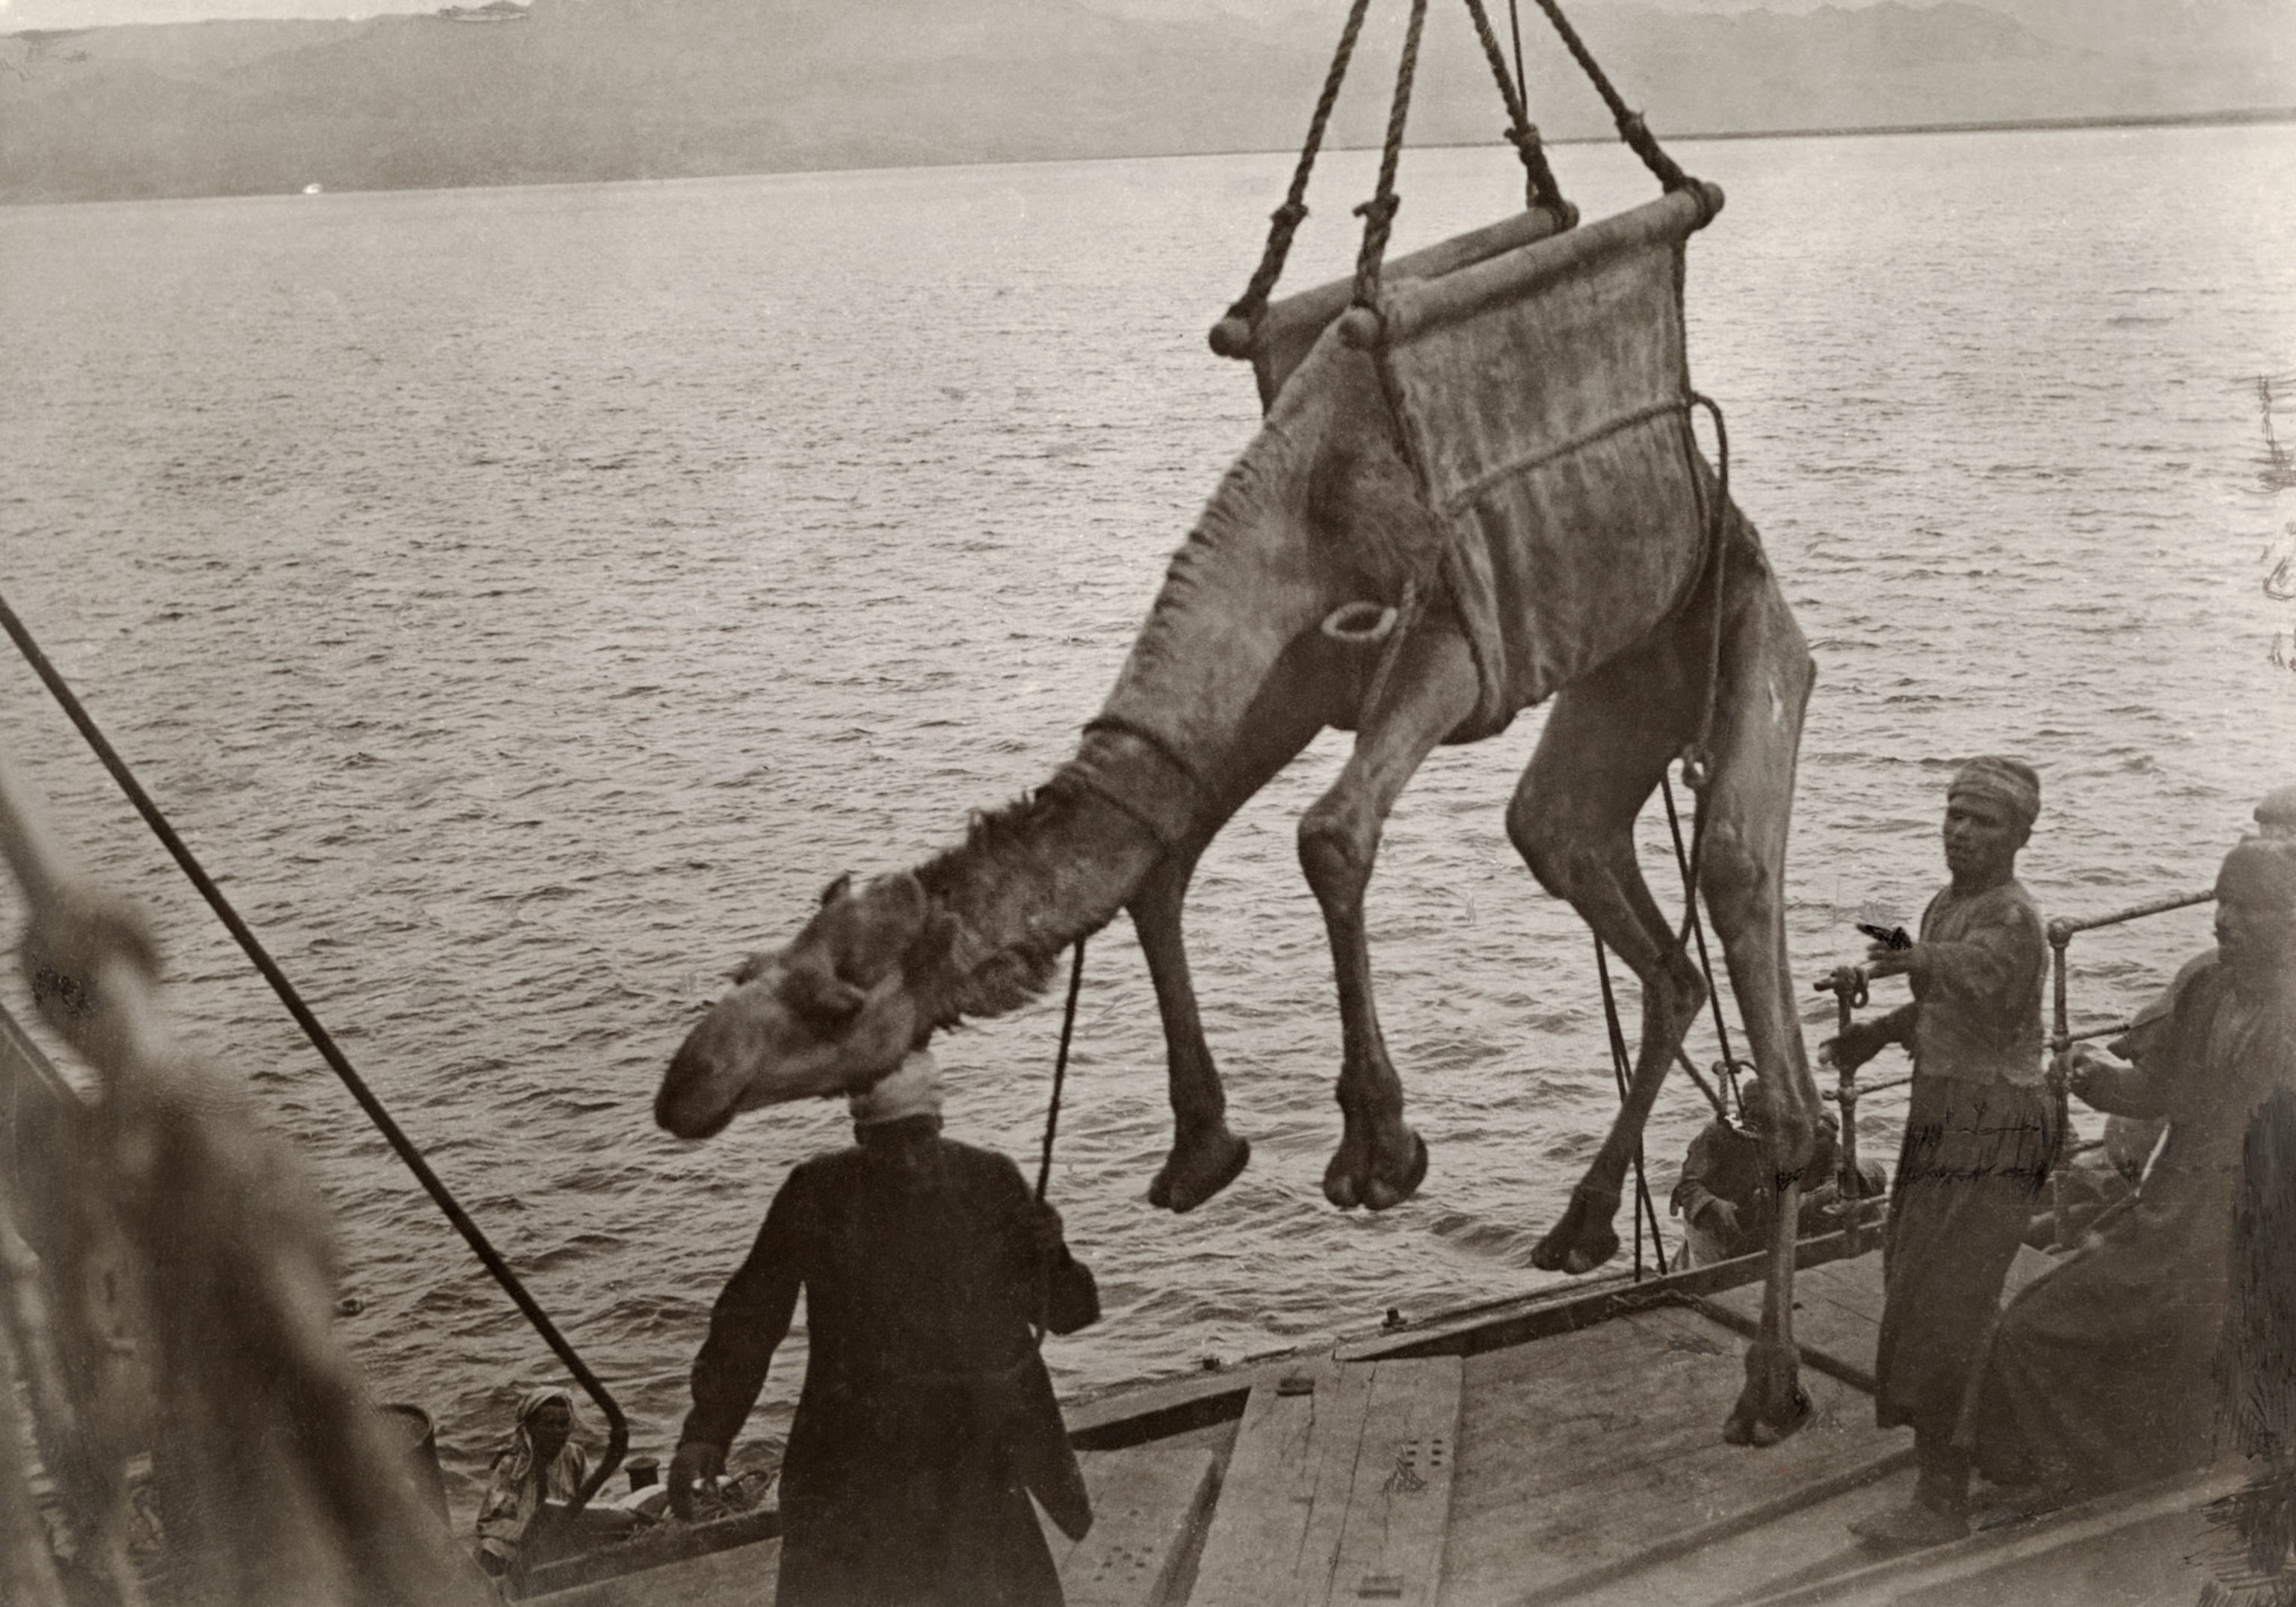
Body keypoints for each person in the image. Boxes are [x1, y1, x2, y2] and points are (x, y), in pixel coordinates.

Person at [667, 1049, 1099, 1607]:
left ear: (939, 1126)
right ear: (860, 1137)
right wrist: (707, 1429)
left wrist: (1053, 1256)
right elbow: (751, 1313)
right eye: (890, 1145)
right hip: (852, 1461)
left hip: (971, 1456)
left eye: (920, 1139)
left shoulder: (989, 1181)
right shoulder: (816, 1192)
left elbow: (1070, 1315)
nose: (910, 1161)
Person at [1963, 837, 2296, 1509]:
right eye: (2221, 902)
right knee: (2030, 1320)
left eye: (2247, 907)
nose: (2222, 920)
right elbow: (2160, 1089)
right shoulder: (2206, 985)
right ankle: (2058, 1465)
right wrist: (2098, 1081)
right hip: (2176, 1211)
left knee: (2175, 1331)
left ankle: (2113, 1471)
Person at [1824, 756, 2058, 1548]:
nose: (1960, 831)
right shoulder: (1939, 905)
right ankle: (2002, 1451)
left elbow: (1985, 977)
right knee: (1919, 1282)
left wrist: (1911, 958)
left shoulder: (2014, 918)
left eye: (1982, 820)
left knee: (1944, 1302)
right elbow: (1933, 998)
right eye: (1954, 813)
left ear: (2020, 834)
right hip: (1941, 1112)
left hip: (1993, 1122)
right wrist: (1873, 1032)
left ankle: (1940, 1499)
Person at [1670, 1079, 1885, 1265]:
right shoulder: (1720, 1133)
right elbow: (1687, 1186)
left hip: (1775, 1215)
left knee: (1863, 1181)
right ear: (1747, 1110)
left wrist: (1837, 1184)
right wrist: (1714, 1204)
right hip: (1721, 1222)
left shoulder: (1807, 1131)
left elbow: (1837, 1164)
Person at [474, 1388, 590, 1578]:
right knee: (490, 1548)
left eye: (563, 1424)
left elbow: (599, 1500)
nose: (557, 1431)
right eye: (549, 1424)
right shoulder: (512, 1465)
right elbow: (491, 1522)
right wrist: (530, 1533)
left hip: (568, 1539)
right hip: (524, 1544)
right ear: (531, 1427)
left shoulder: (575, 1456)